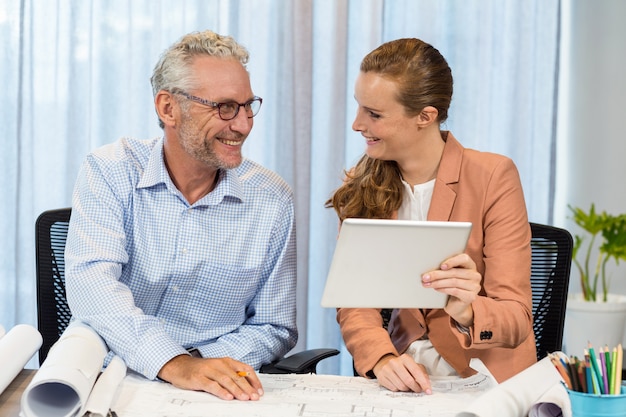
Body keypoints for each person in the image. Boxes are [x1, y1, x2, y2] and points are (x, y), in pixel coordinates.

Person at [65, 30, 298, 401]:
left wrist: (200, 364)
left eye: (247, 105)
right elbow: (93, 287)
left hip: (211, 387)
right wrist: (172, 363)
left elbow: (274, 325)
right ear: (168, 108)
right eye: (224, 107)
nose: (242, 125)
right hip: (107, 375)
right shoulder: (109, 170)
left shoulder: (272, 199)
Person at [326, 38, 536, 394]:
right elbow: (355, 302)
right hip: (406, 379)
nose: (357, 124)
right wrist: (382, 359)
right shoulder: (362, 185)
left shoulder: (492, 176)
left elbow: (517, 319)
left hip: (487, 380)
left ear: (425, 116)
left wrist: (469, 311)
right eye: (359, 107)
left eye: (374, 114)